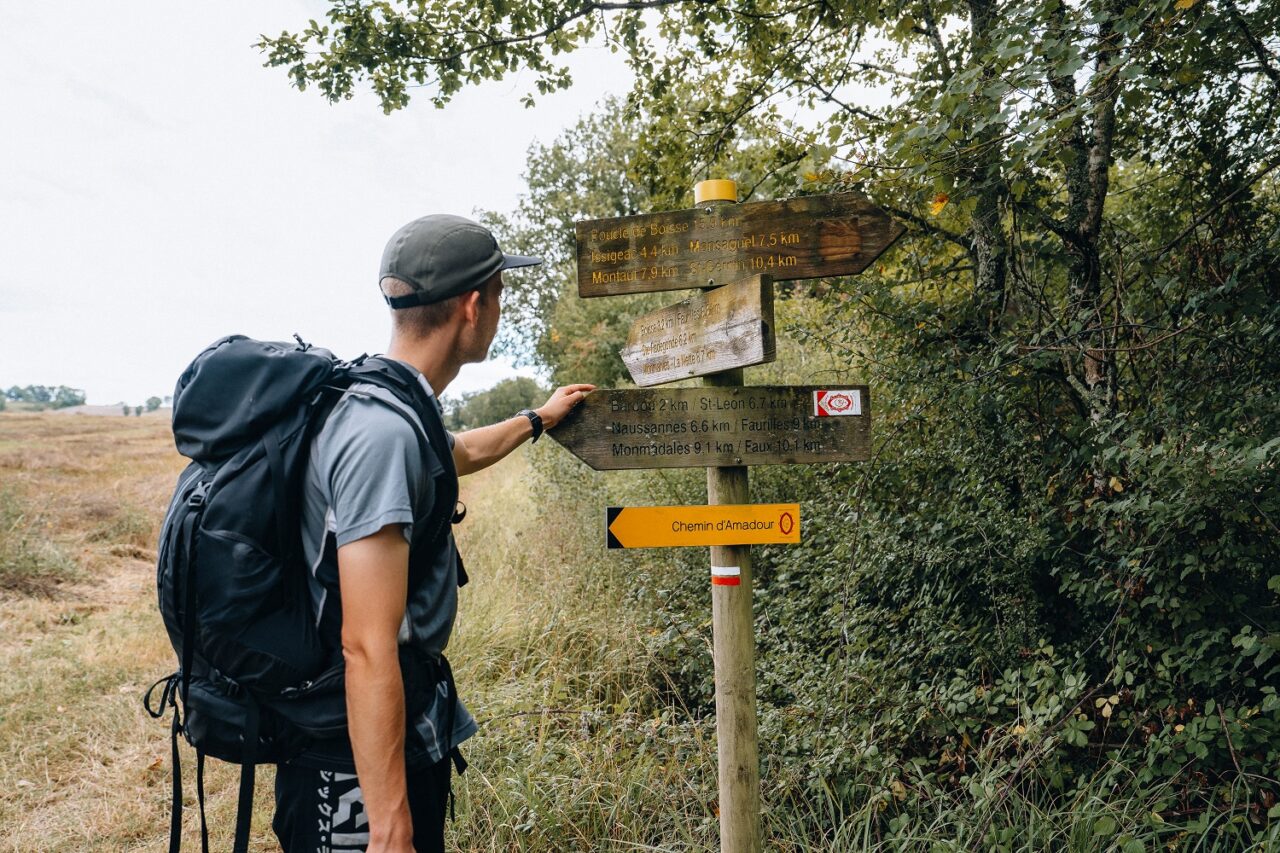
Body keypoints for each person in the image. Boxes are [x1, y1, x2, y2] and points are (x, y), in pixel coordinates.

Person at [271, 214, 594, 852]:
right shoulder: (383, 433)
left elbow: (458, 454)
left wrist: (538, 417)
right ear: (474, 306)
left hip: (391, 728)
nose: (499, 309)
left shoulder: (393, 403)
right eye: (500, 294)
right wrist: (387, 826)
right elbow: (366, 643)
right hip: (347, 754)